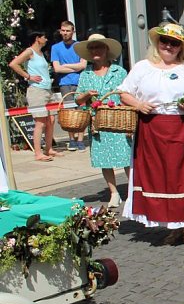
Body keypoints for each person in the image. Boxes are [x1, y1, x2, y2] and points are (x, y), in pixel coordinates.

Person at [118, 23, 184, 247]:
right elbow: (123, 93)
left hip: (183, 127)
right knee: (161, 177)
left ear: (180, 46)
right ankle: (173, 226)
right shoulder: (142, 67)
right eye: (165, 41)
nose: (169, 46)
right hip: (152, 128)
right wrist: (138, 104)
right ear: (157, 42)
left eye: (174, 43)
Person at [73, 34, 131, 209]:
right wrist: (86, 95)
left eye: (99, 47)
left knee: (127, 156)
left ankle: (133, 191)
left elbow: (127, 94)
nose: (95, 51)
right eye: (92, 48)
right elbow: (77, 99)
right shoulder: (86, 74)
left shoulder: (119, 72)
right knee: (104, 158)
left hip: (119, 120)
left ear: (106, 50)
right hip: (97, 122)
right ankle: (114, 193)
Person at [9, 30, 61, 161]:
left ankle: (48, 148)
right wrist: (28, 76)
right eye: (44, 37)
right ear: (38, 38)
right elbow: (13, 64)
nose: (46, 40)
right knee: (40, 122)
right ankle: (38, 152)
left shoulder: (41, 53)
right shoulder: (29, 51)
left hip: (47, 89)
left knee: (51, 120)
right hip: (36, 90)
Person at [51, 21, 87, 151]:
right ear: (60, 31)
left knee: (82, 112)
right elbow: (57, 68)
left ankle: (81, 140)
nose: (65, 33)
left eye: (68, 30)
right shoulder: (55, 48)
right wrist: (74, 67)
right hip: (64, 83)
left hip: (80, 82)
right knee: (69, 113)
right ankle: (72, 139)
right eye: (63, 30)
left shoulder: (80, 46)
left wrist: (65, 66)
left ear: (73, 32)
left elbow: (83, 65)